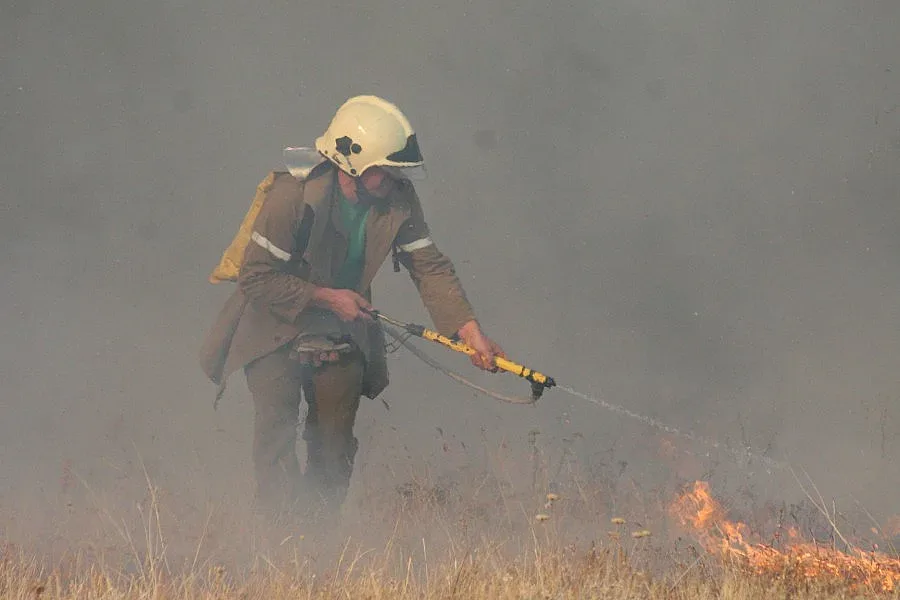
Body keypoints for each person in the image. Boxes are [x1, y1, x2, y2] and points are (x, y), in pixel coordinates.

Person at [199, 95, 504, 517]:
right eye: (384, 171)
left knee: (334, 447)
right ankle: (275, 550)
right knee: (275, 441)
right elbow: (256, 278)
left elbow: (429, 266)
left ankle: (319, 550)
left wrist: (469, 332)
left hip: (342, 332)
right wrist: (326, 297)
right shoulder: (291, 197)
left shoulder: (398, 200)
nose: (394, 180)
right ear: (350, 165)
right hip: (272, 328)